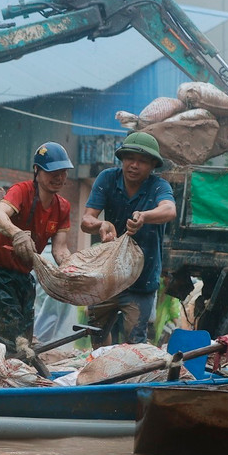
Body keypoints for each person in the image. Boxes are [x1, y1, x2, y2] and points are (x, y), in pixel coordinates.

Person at [0, 141, 73, 356]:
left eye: (63, 172)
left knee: (25, 342)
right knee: (8, 342)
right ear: (37, 171)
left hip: (24, 278)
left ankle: (21, 380)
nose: (58, 177)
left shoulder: (63, 206)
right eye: (53, 171)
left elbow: (60, 250)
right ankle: (5, 383)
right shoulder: (22, 191)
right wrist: (16, 232)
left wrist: (72, 270)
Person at [80, 132, 176, 346]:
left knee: (134, 340)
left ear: (152, 165)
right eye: (130, 158)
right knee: (97, 335)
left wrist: (144, 216)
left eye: (142, 161)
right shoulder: (107, 178)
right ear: (122, 159)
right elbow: (86, 220)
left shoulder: (159, 186)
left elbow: (169, 210)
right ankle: (103, 373)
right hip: (108, 278)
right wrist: (101, 224)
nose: (134, 165)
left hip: (141, 280)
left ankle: (130, 377)